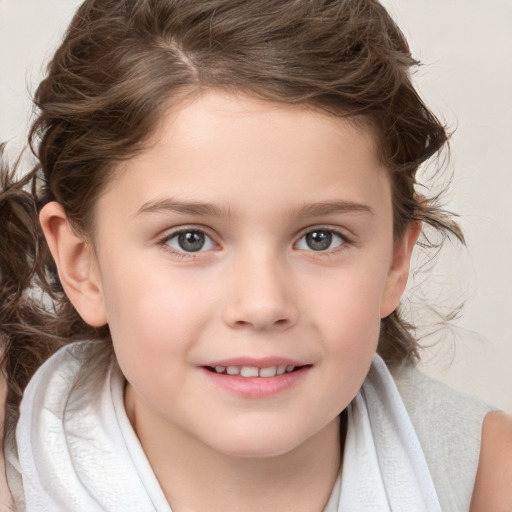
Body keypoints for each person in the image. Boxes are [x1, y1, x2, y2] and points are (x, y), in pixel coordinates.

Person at [0, 0, 511, 510]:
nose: (263, 304)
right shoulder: (16, 482)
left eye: (320, 238)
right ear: (81, 264)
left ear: (396, 260)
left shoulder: (484, 474)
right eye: (190, 239)